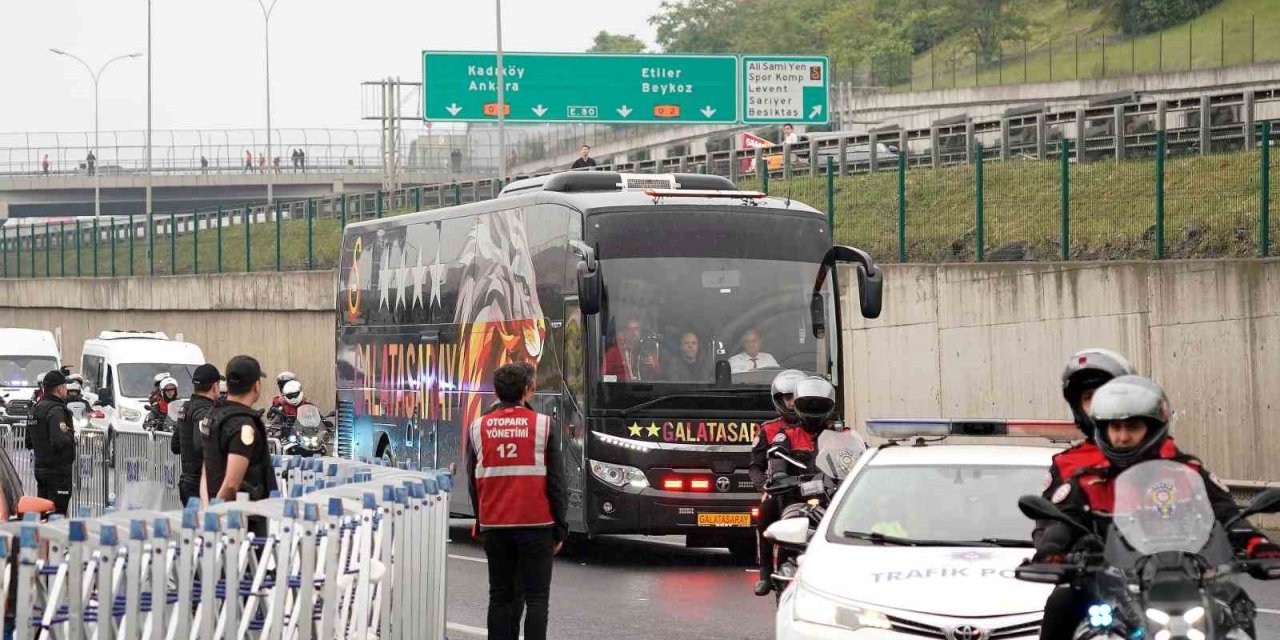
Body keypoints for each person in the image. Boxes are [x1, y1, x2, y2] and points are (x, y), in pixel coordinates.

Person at [1032, 375, 1280, 640]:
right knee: (1062, 601)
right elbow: (1064, 523)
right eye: (1115, 427)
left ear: (1153, 428)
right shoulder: (1086, 480)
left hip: (1189, 583)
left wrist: (1258, 544)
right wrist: (1052, 550)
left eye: (1133, 427)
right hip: (1112, 588)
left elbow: (1228, 515)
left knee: (1236, 608)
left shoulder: (1188, 473)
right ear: (1102, 430)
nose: (1123, 437)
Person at [466, 362, 567, 640]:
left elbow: (473, 482)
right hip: (537, 525)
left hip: (495, 526)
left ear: (497, 392)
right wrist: (560, 527)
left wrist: (481, 522)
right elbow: (557, 482)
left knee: (499, 597)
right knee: (536, 599)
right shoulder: (544, 425)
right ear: (527, 389)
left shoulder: (477, 427)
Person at [748, 369, 806, 596]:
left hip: (816, 488)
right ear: (779, 400)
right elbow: (755, 466)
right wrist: (764, 486)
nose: (792, 403)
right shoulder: (767, 429)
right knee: (764, 515)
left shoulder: (818, 425)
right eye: (787, 398)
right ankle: (764, 574)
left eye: (796, 398)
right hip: (782, 490)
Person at [203, 355, 277, 534]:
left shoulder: (214, 417)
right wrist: (214, 515)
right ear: (256, 385)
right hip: (242, 523)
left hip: (220, 517)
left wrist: (208, 509)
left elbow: (205, 469)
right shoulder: (243, 425)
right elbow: (232, 483)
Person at [173, 364, 220, 507]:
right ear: (215, 386)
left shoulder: (186, 407)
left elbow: (175, 445)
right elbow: (202, 445)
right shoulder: (205, 411)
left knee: (192, 528)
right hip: (200, 486)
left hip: (187, 482)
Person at [30, 369, 75, 515]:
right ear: (60, 388)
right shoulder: (56, 410)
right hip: (58, 472)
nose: (67, 390)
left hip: (40, 469)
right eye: (65, 387)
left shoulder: (35, 409)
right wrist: (72, 437)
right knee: (57, 515)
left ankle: (42, 538)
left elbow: (28, 441)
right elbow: (59, 440)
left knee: (43, 514)